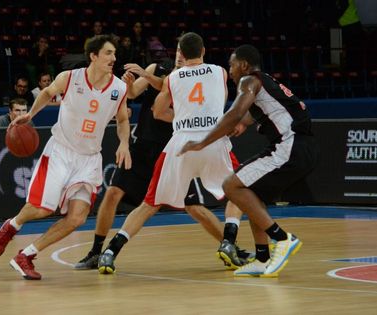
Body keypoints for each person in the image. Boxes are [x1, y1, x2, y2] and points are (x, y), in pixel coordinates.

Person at [75, 53, 251, 271]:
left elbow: (164, 106)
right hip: (142, 149)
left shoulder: (186, 81)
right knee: (113, 193)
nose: (179, 57)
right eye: (177, 52)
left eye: (182, 54)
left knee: (194, 208)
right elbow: (131, 93)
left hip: (171, 153)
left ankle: (233, 247)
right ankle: (96, 251)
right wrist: (131, 82)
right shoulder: (158, 69)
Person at [0, 35, 132, 280]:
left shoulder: (119, 88)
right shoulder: (70, 78)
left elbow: (122, 119)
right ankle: (12, 226)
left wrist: (124, 143)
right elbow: (47, 92)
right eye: (108, 53)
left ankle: (27, 255)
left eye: (115, 53)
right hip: (61, 151)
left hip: (89, 158)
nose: (114, 58)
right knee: (42, 209)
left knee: (77, 218)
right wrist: (31, 114)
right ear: (94, 56)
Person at [178, 44, 318, 277]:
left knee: (231, 184)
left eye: (232, 65)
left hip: (290, 145)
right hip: (300, 147)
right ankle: (262, 258)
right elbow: (255, 112)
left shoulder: (249, 80)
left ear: (243, 65)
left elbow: (233, 114)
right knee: (252, 194)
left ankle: (282, 238)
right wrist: (244, 122)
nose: (230, 70)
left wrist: (202, 142)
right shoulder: (265, 81)